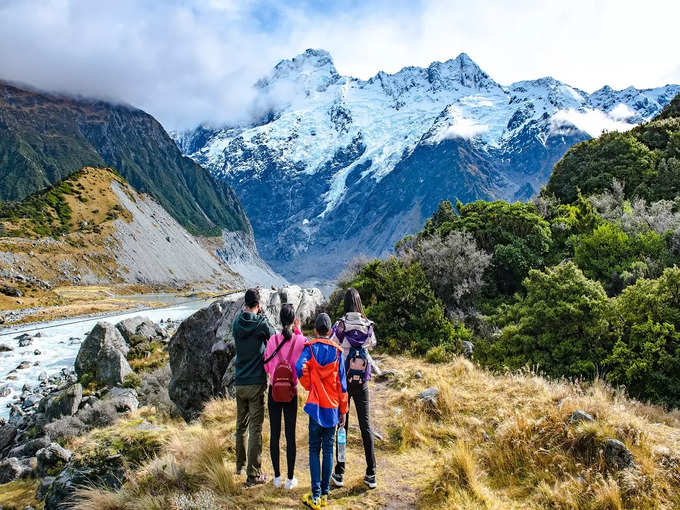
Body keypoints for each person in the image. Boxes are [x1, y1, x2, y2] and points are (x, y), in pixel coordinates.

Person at [296, 313, 348, 510]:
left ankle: (315, 495)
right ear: (331, 331)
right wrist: (344, 410)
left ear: (316, 331)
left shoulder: (310, 348)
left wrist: (310, 385)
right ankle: (325, 495)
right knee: (328, 450)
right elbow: (343, 386)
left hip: (316, 408)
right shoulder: (337, 352)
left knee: (313, 449)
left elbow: (299, 367)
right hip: (333, 408)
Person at [330, 288, 378, 489]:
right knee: (366, 426)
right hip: (362, 382)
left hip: (344, 382)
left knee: (342, 426)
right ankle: (371, 473)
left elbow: (333, 345)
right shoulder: (368, 325)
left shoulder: (340, 326)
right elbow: (373, 344)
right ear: (359, 304)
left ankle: (340, 472)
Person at [232, 288, 275, 487]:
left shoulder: (236, 323)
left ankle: (239, 466)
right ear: (258, 305)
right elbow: (274, 337)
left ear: (244, 304)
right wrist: (264, 316)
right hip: (256, 381)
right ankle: (253, 474)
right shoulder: (260, 324)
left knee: (241, 426)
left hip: (240, 381)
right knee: (255, 429)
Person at [263, 304, 306, 490]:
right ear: (293, 320)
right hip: (291, 393)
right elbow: (304, 359)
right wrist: (299, 330)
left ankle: (277, 478)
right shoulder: (300, 340)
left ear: (280, 320)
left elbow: (266, 366)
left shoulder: (272, 340)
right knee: (290, 436)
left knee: (274, 435)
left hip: (274, 392)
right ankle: (290, 479)